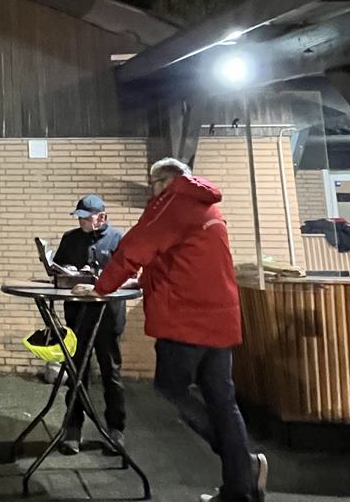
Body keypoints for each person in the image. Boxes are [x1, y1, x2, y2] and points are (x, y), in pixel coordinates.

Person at [94, 158, 268, 502]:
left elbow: (134, 247)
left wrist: (101, 288)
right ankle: (239, 489)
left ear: (165, 181)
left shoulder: (173, 203)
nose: (151, 192)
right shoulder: (204, 207)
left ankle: (241, 461)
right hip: (220, 321)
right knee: (223, 402)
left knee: (170, 387)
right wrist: (142, 281)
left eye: (153, 184)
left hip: (186, 322)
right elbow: (179, 258)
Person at [51, 194, 127, 454]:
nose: (81, 221)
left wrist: (103, 278)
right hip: (78, 315)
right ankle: (73, 428)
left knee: (111, 373)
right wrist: (66, 272)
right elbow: (57, 270)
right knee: (76, 372)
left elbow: (129, 274)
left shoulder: (117, 239)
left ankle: (116, 430)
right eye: (79, 217)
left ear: (101, 217)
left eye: (86, 217)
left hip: (107, 316)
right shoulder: (70, 239)